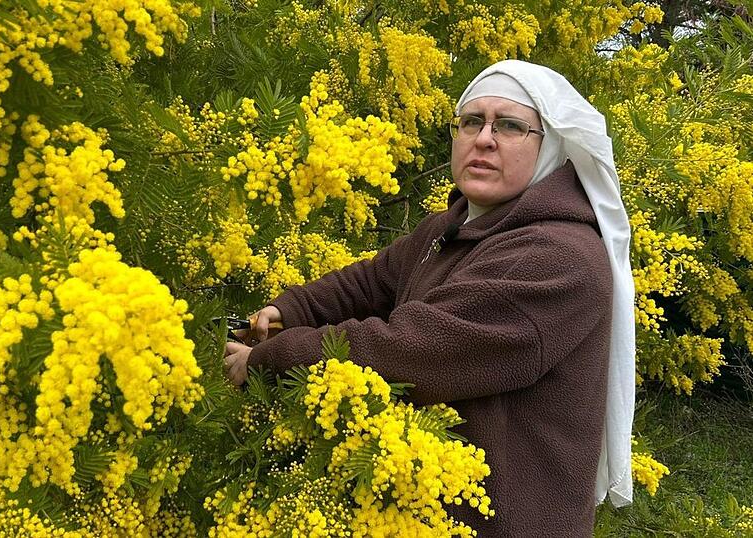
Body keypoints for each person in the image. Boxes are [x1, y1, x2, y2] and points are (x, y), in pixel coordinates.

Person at [223, 59, 637, 536]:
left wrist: (269, 358)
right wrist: (289, 309)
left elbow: (416, 350)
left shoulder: (557, 257)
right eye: (470, 121)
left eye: (509, 125)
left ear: (552, 148)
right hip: (424, 510)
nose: (484, 138)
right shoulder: (455, 226)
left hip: (506, 521)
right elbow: (371, 282)